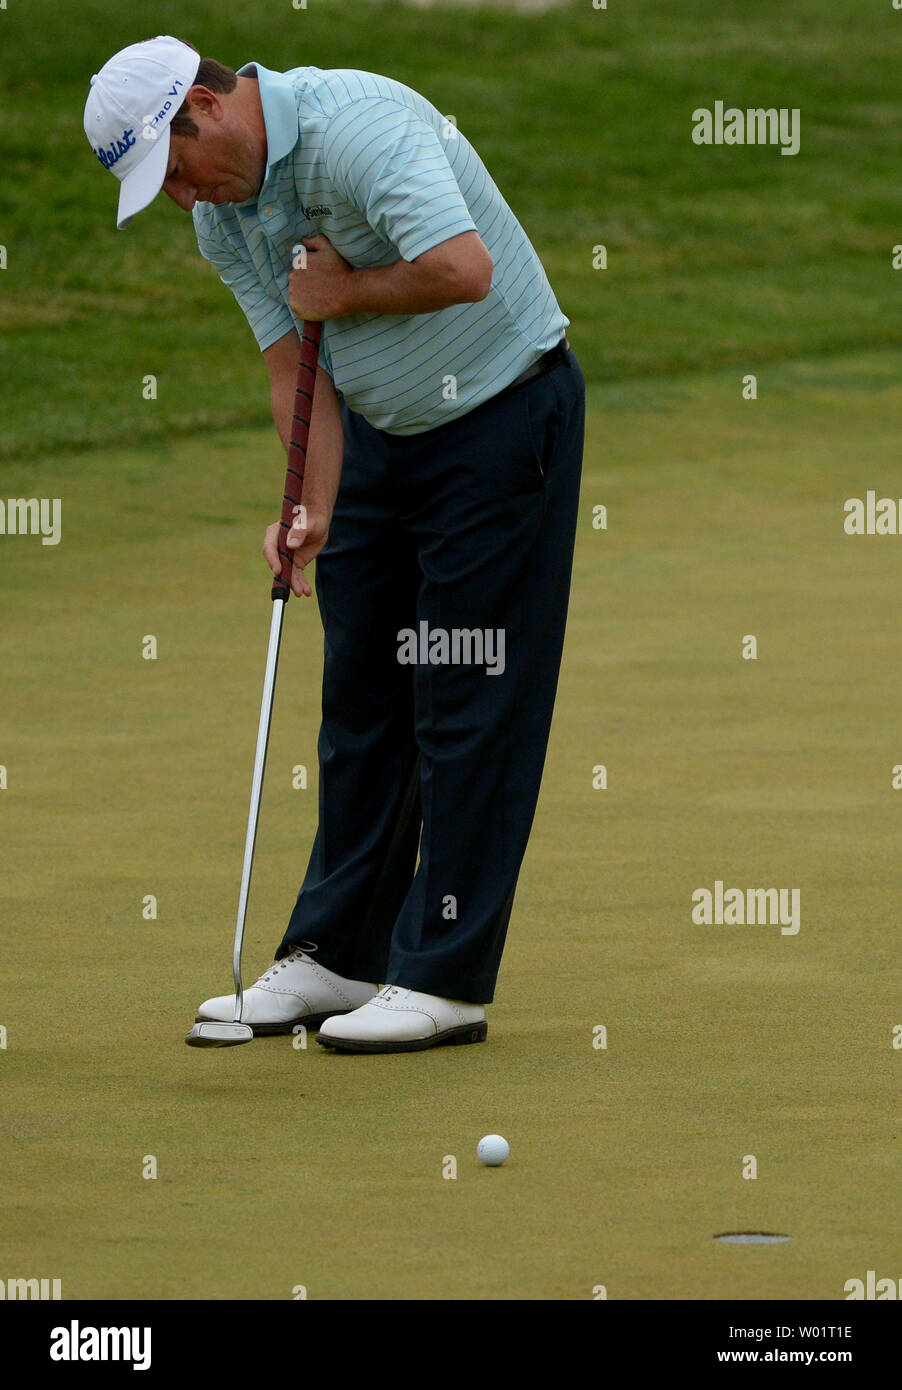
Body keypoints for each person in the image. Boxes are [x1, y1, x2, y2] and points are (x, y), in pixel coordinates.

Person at [85, 35, 586, 1054]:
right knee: (360, 698)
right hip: (378, 444)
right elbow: (289, 370)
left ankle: (442, 975)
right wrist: (307, 506)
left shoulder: (361, 128)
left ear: (206, 109)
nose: (182, 198)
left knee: (463, 693)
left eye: (174, 169)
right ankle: (334, 955)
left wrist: (343, 295)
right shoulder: (225, 216)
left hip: (500, 418)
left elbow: (464, 267)